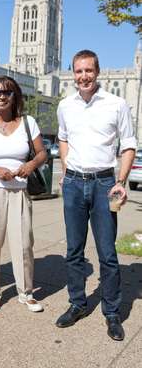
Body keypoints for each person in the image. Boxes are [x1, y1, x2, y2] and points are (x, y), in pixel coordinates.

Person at [56, 50, 136, 341]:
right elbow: (63, 138)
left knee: (108, 253)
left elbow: (128, 145)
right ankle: (77, 303)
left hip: (105, 185)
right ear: (73, 73)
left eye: (88, 71)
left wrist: (120, 181)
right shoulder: (65, 105)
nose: (83, 76)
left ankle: (112, 313)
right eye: (78, 71)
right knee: (74, 251)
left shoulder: (116, 104)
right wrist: (66, 170)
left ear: (97, 71)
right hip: (75, 184)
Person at [0, 76, 47, 315]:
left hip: (19, 191)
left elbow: (42, 153)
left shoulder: (28, 122)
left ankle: (26, 293)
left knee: (24, 244)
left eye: (7, 93)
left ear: (15, 97)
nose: (1, 96)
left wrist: (30, 165)